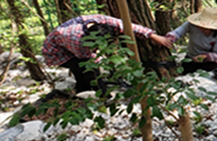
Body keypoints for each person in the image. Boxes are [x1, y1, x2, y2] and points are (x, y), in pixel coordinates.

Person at [42, 13, 172, 93]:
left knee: (82, 71)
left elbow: (127, 25)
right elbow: (88, 59)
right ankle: (101, 93)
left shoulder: (101, 20)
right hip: (56, 53)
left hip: (69, 46)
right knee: (88, 67)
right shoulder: (75, 39)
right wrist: (108, 63)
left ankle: (82, 90)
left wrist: (153, 36)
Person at [165, 8, 217, 74]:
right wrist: (169, 39)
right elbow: (178, 32)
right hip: (190, 58)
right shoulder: (191, 25)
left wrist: (205, 57)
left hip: (210, 63)